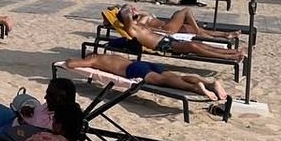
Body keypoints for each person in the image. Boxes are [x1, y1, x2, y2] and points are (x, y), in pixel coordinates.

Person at [62, 54, 228, 101]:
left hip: (133, 69)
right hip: (142, 63)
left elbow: (72, 64)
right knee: (177, 76)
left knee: (162, 81)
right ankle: (209, 83)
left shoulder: (94, 59)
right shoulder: (111, 56)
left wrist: (70, 60)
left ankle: (195, 87)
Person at [112, 7, 246, 61]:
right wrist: (125, 10)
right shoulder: (131, 29)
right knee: (193, 47)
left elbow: (142, 16)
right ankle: (229, 57)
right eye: (129, 11)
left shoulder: (139, 25)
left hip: (167, 39)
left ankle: (232, 52)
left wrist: (134, 12)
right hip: (162, 45)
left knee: (197, 44)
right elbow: (127, 17)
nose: (132, 10)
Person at [122, 3, 238, 41]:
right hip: (166, 29)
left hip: (168, 26)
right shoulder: (136, 23)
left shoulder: (140, 16)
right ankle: (199, 32)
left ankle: (224, 35)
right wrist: (162, 32)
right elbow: (147, 30)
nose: (134, 9)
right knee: (185, 11)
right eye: (131, 9)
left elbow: (146, 14)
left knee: (191, 28)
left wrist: (138, 12)